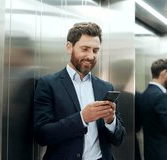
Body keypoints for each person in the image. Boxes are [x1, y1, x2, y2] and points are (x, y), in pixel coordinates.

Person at [33, 22, 126, 160]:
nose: (91, 56)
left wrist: (110, 121)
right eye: (85, 49)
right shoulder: (48, 84)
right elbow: (42, 135)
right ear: (69, 47)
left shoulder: (106, 87)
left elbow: (118, 139)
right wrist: (82, 118)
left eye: (95, 50)